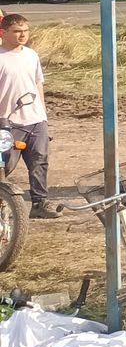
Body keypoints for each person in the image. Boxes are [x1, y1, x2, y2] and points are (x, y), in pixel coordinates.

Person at [0, 13, 60, 218]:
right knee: (5, 164)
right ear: (3, 32)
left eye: (25, 31)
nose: (22, 35)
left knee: (39, 161)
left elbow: (37, 83)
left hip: (35, 119)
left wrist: (43, 114)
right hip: (8, 121)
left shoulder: (31, 55)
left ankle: (40, 204)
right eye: (17, 31)